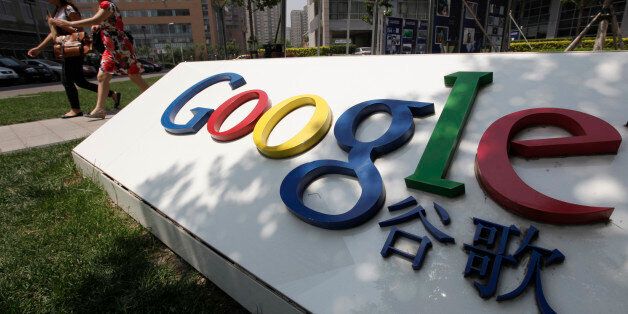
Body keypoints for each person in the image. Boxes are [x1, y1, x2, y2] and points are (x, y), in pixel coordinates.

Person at [51, 0, 148, 119]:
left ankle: (151, 96)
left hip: (120, 47)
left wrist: (69, 23)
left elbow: (95, 20)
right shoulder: (103, 6)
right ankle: (99, 109)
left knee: (134, 76)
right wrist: (98, 27)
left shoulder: (107, 5)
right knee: (102, 76)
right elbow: (103, 22)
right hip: (111, 48)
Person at [28, 0, 121, 119]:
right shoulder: (56, 11)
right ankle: (112, 94)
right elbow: (54, 33)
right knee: (80, 82)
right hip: (66, 47)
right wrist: (39, 48)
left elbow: (79, 30)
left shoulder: (68, 9)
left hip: (73, 48)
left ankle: (75, 109)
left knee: (66, 79)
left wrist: (63, 24)